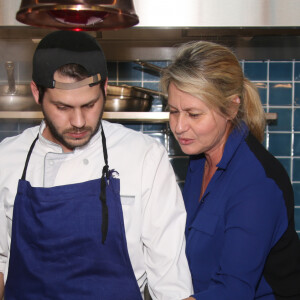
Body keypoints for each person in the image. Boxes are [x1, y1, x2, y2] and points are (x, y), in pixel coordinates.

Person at [0, 30, 193, 300]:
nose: (79, 121)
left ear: (104, 89)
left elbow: (171, 283)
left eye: (90, 105)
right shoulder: (6, 159)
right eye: (63, 107)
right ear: (36, 92)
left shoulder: (144, 156)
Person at [160, 40, 300, 300]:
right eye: (173, 111)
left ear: (232, 107)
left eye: (193, 114)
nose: (179, 127)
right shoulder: (198, 161)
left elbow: (234, 290)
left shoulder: (256, 183)